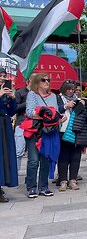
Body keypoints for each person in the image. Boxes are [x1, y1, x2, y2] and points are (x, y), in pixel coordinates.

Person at [23, 73, 62, 198]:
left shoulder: (53, 96)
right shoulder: (32, 94)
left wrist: (46, 114)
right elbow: (30, 112)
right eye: (43, 80)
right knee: (33, 160)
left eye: (48, 80)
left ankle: (43, 186)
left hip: (49, 131)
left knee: (46, 159)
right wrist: (46, 114)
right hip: (35, 130)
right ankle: (31, 187)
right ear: (37, 82)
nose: (46, 82)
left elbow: (55, 113)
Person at [58, 80, 87, 191]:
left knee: (76, 156)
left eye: (72, 89)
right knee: (63, 156)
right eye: (68, 89)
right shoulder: (58, 98)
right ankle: (62, 180)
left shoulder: (80, 100)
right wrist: (66, 106)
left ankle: (73, 180)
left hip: (77, 131)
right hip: (63, 130)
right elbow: (54, 110)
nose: (70, 91)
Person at [0, 68, 18, 202]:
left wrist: (12, 99)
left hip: (5, 125)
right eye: (0, 76)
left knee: (5, 155)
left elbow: (12, 111)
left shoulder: (5, 91)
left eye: (3, 76)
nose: (2, 78)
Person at [14, 78, 29, 172]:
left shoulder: (38, 94)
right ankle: (15, 174)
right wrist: (27, 103)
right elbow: (14, 108)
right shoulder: (20, 92)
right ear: (28, 81)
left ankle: (30, 177)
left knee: (33, 154)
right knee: (19, 151)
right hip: (21, 124)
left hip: (35, 125)